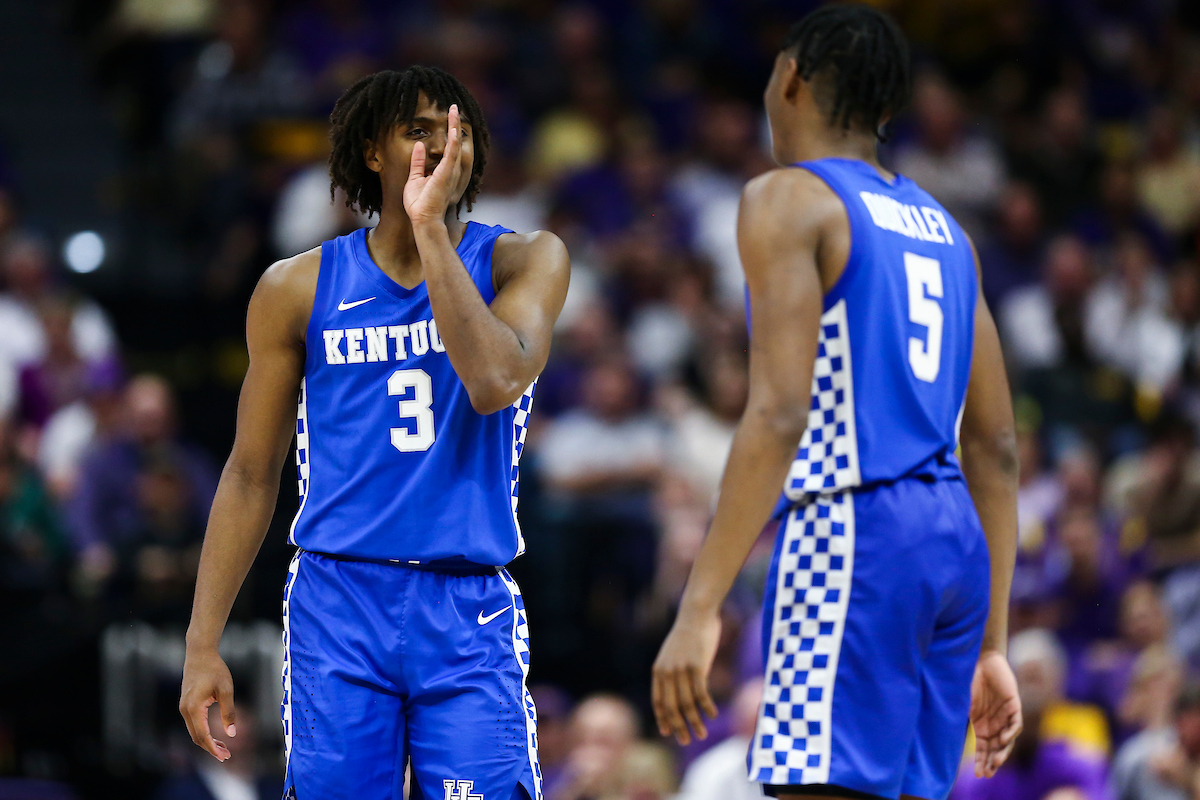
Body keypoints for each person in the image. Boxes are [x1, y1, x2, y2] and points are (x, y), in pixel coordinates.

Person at [651, 5, 1021, 800]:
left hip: (857, 528)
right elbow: (997, 448)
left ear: (790, 79)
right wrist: (993, 643)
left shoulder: (789, 199)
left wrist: (699, 608)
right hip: (955, 545)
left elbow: (779, 414)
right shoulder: (949, 232)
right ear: (887, 111)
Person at [178, 66, 570, 800]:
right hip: (338, 597)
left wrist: (429, 231)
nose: (438, 144)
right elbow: (250, 474)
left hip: (467, 602)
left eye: (453, 129)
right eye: (416, 129)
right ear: (370, 153)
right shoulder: (295, 287)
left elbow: (492, 383)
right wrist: (203, 644)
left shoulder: (525, 258)